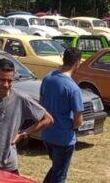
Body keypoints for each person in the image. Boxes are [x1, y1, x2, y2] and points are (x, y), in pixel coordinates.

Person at [40, 47, 85, 183]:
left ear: (63, 59)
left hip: (47, 135)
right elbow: (78, 120)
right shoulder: (73, 88)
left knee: (56, 168)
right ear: (77, 63)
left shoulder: (48, 78)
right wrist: (72, 126)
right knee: (60, 176)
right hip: (64, 138)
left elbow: (40, 104)